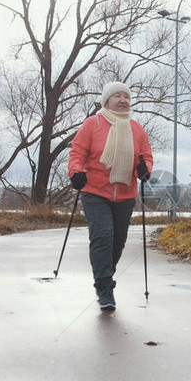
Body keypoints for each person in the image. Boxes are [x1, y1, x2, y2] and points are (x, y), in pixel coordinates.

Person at [68, 81, 153, 311]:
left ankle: (105, 275)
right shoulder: (92, 124)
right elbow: (77, 152)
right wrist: (76, 172)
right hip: (95, 191)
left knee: (118, 241)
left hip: (125, 194)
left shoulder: (136, 128)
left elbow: (145, 156)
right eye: (118, 96)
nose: (123, 100)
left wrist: (145, 170)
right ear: (106, 100)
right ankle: (105, 287)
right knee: (103, 236)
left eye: (126, 96)